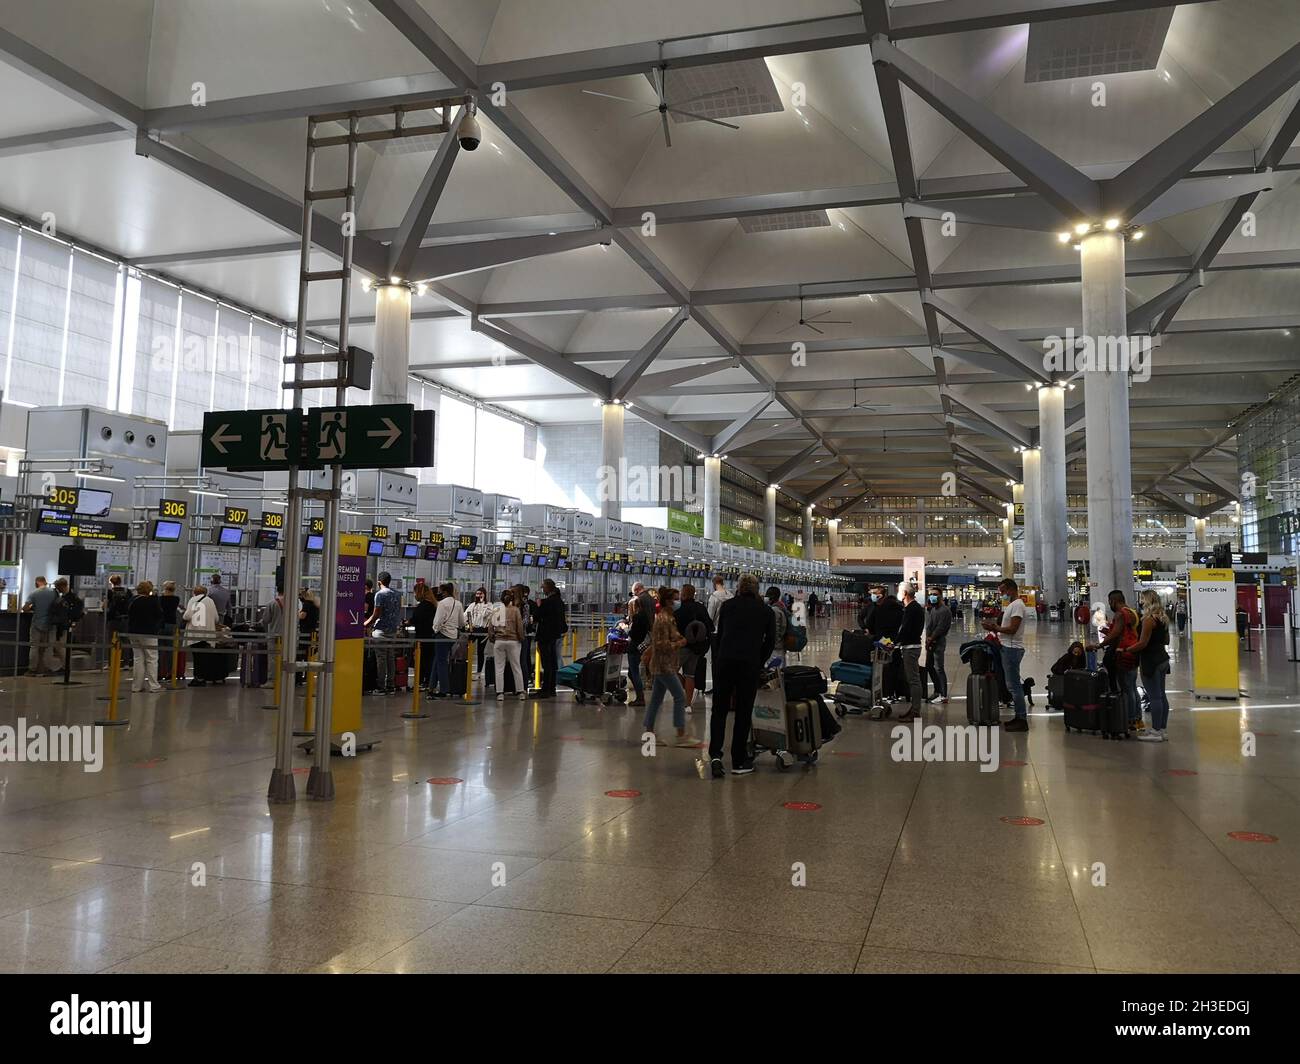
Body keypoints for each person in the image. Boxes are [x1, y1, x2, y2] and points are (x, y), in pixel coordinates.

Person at [709, 574, 775, 778]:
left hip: (725, 663)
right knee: (743, 712)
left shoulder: (727, 606)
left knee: (719, 710)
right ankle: (738, 761)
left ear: (738, 587)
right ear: (756, 589)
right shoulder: (765, 611)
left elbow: (719, 636)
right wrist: (759, 659)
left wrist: (719, 658)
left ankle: (715, 756)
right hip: (749, 664)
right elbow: (770, 641)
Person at [641, 586, 694, 746]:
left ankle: (649, 732)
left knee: (656, 699)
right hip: (664, 665)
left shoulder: (669, 618)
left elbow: (673, 634)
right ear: (668, 601)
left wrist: (681, 638)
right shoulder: (663, 619)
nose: (678, 602)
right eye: (675, 599)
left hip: (664, 664)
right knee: (679, 697)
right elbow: (660, 644)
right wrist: (678, 644)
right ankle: (681, 735)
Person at [1085, 589, 1141, 732]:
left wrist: (1098, 645)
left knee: (1125, 688)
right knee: (1132, 688)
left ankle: (1129, 719)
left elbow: (1116, 634)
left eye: (1110, 602)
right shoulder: (1132, 611)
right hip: (1133, 653)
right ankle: (1137, 719)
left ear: (1113, 601)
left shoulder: (1120, 614)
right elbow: (1124, 631)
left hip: (1123, 654)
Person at [982, 578, 1029, 731]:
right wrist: (994, 628)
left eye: (1003, 591)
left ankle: (1021, 719)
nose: (1002, 594)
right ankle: (1018, 717)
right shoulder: (1012, 605)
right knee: (1012, 685)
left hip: (1012, 649)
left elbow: (1013, 629)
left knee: (1014, 686)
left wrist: (996, 627)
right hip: (1008, 647)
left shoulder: (1017, 605)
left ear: (1011, 589)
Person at [1131, 590, 1171, 743]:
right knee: (1161, 695)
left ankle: (1155, 731)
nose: (1140, 602)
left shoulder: (1148, 620)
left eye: (1142, 599)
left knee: (1154, 697)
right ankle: (1162, 729)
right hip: (1162, 659)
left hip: (1150, 661)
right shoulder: (1163, 618)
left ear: (1147, 601)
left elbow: (1142, 643)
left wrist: (1125, 650)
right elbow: (1166, 641)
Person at [674, 583, 712, 706]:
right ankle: (688, 704)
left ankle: (683, 689)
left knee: (671, 671)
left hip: (683, 647)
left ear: (683, 595)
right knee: (690, 675)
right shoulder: (701, 608)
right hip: (697, 648)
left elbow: (674, 631)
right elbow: (710, 626)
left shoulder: (679, 612)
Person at [366, 571, 402, 695]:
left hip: (380, 631)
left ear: (379, 582)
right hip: (392, 630)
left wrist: (365, 624)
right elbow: (398, 611)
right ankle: (391, 685)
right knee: (390, 658)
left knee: (381, 659)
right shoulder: (397, 594)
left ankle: (381, 687)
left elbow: (376, 614)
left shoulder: (379, 595)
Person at [489, 588, 527, 701]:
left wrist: (492, 638)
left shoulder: (496, 610)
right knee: (516, 666)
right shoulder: (515, 610)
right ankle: (521, 692)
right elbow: (520, 627)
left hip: (499, 641)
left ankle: (500, 693)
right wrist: (521, 638)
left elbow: (491, 627)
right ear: (511, 599)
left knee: (499, 668)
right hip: (513, 641)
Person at [896, 585, 926, 722]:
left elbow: (906, 629)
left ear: (905, 593)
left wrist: (895, 642)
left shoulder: (912, 609)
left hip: (911, 647)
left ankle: (915, 711)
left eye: (900, 591)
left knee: (913, 680)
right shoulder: (913, 608)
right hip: (910, 645)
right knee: (912, 679)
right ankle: (914, 709)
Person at [126, 580, 163, 693]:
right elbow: (159, 615)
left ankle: (136, 686)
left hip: (133, 632)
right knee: (151, 659)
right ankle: (154, 685)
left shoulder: (133, 600)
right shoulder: (153, 601)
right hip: (149, 633)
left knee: (138, 659)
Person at [430, 581, 465, 698]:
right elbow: (461, 622)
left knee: (441, 662)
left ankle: (444, 689)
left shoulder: (442, 604)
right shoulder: (458, 604)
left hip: (442, 635)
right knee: (437, 659)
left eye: (440, 591)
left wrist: (435, 630)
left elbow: (437, 621)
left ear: (444, 592)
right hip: (452, 636)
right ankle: (432, 685)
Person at [534, 578, 568, 697]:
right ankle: (551, 688)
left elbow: (538, 617)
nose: (542, 588)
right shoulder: (559, 601)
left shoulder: (547, 602)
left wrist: (538, 606)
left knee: (547, 663)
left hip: (545, 636)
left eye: (543, 586)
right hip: (555, 635)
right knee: (553, 662)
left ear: (548, 587)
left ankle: (545, 689)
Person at [23, 575, 62, 676]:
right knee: (48, 647)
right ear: (45, 581)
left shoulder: (34, 593)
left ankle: (32, 670)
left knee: (34, 647)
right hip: (51, 624)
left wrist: (33, 607)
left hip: (37, 623)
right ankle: (47, 669)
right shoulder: (54, 593)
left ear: (37, 583)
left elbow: (25, 608)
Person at [183, 585, 220, 687]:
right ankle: (203, 677)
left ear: (194, 592)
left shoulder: (193, 600)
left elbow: (187, 616)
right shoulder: (210, 601)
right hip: (208, 633)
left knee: (197, 657)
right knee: (204, 656)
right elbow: (216, 618)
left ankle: (197, 678)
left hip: (195, 633)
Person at [924, 589, 952, 704]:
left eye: (935, 594)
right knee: (929, 666)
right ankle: (937, 690)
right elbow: (930, 625)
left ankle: (943, 695)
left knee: (939, 668)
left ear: (941, 596)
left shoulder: (944, 610)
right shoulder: (933, 609)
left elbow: (941, 627)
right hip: (931, 642)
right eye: (930, 594)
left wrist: (932, 638)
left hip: (938, 642)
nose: (932, 596)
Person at [627, 589, 653, 708]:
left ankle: (640, 697)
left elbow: (633, 634)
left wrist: (627, 629)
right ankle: (640, 693)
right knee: (631, 672)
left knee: (634, 672)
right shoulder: (647, 617)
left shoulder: (638, 617)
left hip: (634, 647)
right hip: (641, 646)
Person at [410, 583, 437, 691]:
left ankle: (420, 682)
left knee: (420, 660)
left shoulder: (423, 606)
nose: (414, 595)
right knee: (428, 661)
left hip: (422, 636)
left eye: (415, 592)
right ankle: (427, 682)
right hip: (430, 636)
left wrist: (409, 622)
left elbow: (415, 619)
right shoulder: (433, 604)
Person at [464, 587, 493, 676]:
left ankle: (479, 671)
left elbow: (486, 615)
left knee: (481, 651)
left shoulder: (489, 605)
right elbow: (465, 615)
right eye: (477, 594)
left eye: (481, 594)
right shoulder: (472, 605)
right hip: (473, 629)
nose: (479, 595)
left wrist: (483, 604)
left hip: (483, 629)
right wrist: (467, 625)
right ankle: (466, 668)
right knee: (467, 648)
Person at [294, 587, 319, 688]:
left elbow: (302, 616)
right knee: (310, 656)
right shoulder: (315, 605)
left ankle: (298, 678)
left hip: (306, 634)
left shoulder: (307, 605)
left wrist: (296, 613)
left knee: (300, 656)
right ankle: (308, 676)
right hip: (313, 634)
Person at [764, 586, 788, 667]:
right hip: (780, 647)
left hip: (775, 649)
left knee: (774, 674)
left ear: (771, 597)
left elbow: (775, 630)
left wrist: (771, 644)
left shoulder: (775, 610)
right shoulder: (781, 607)